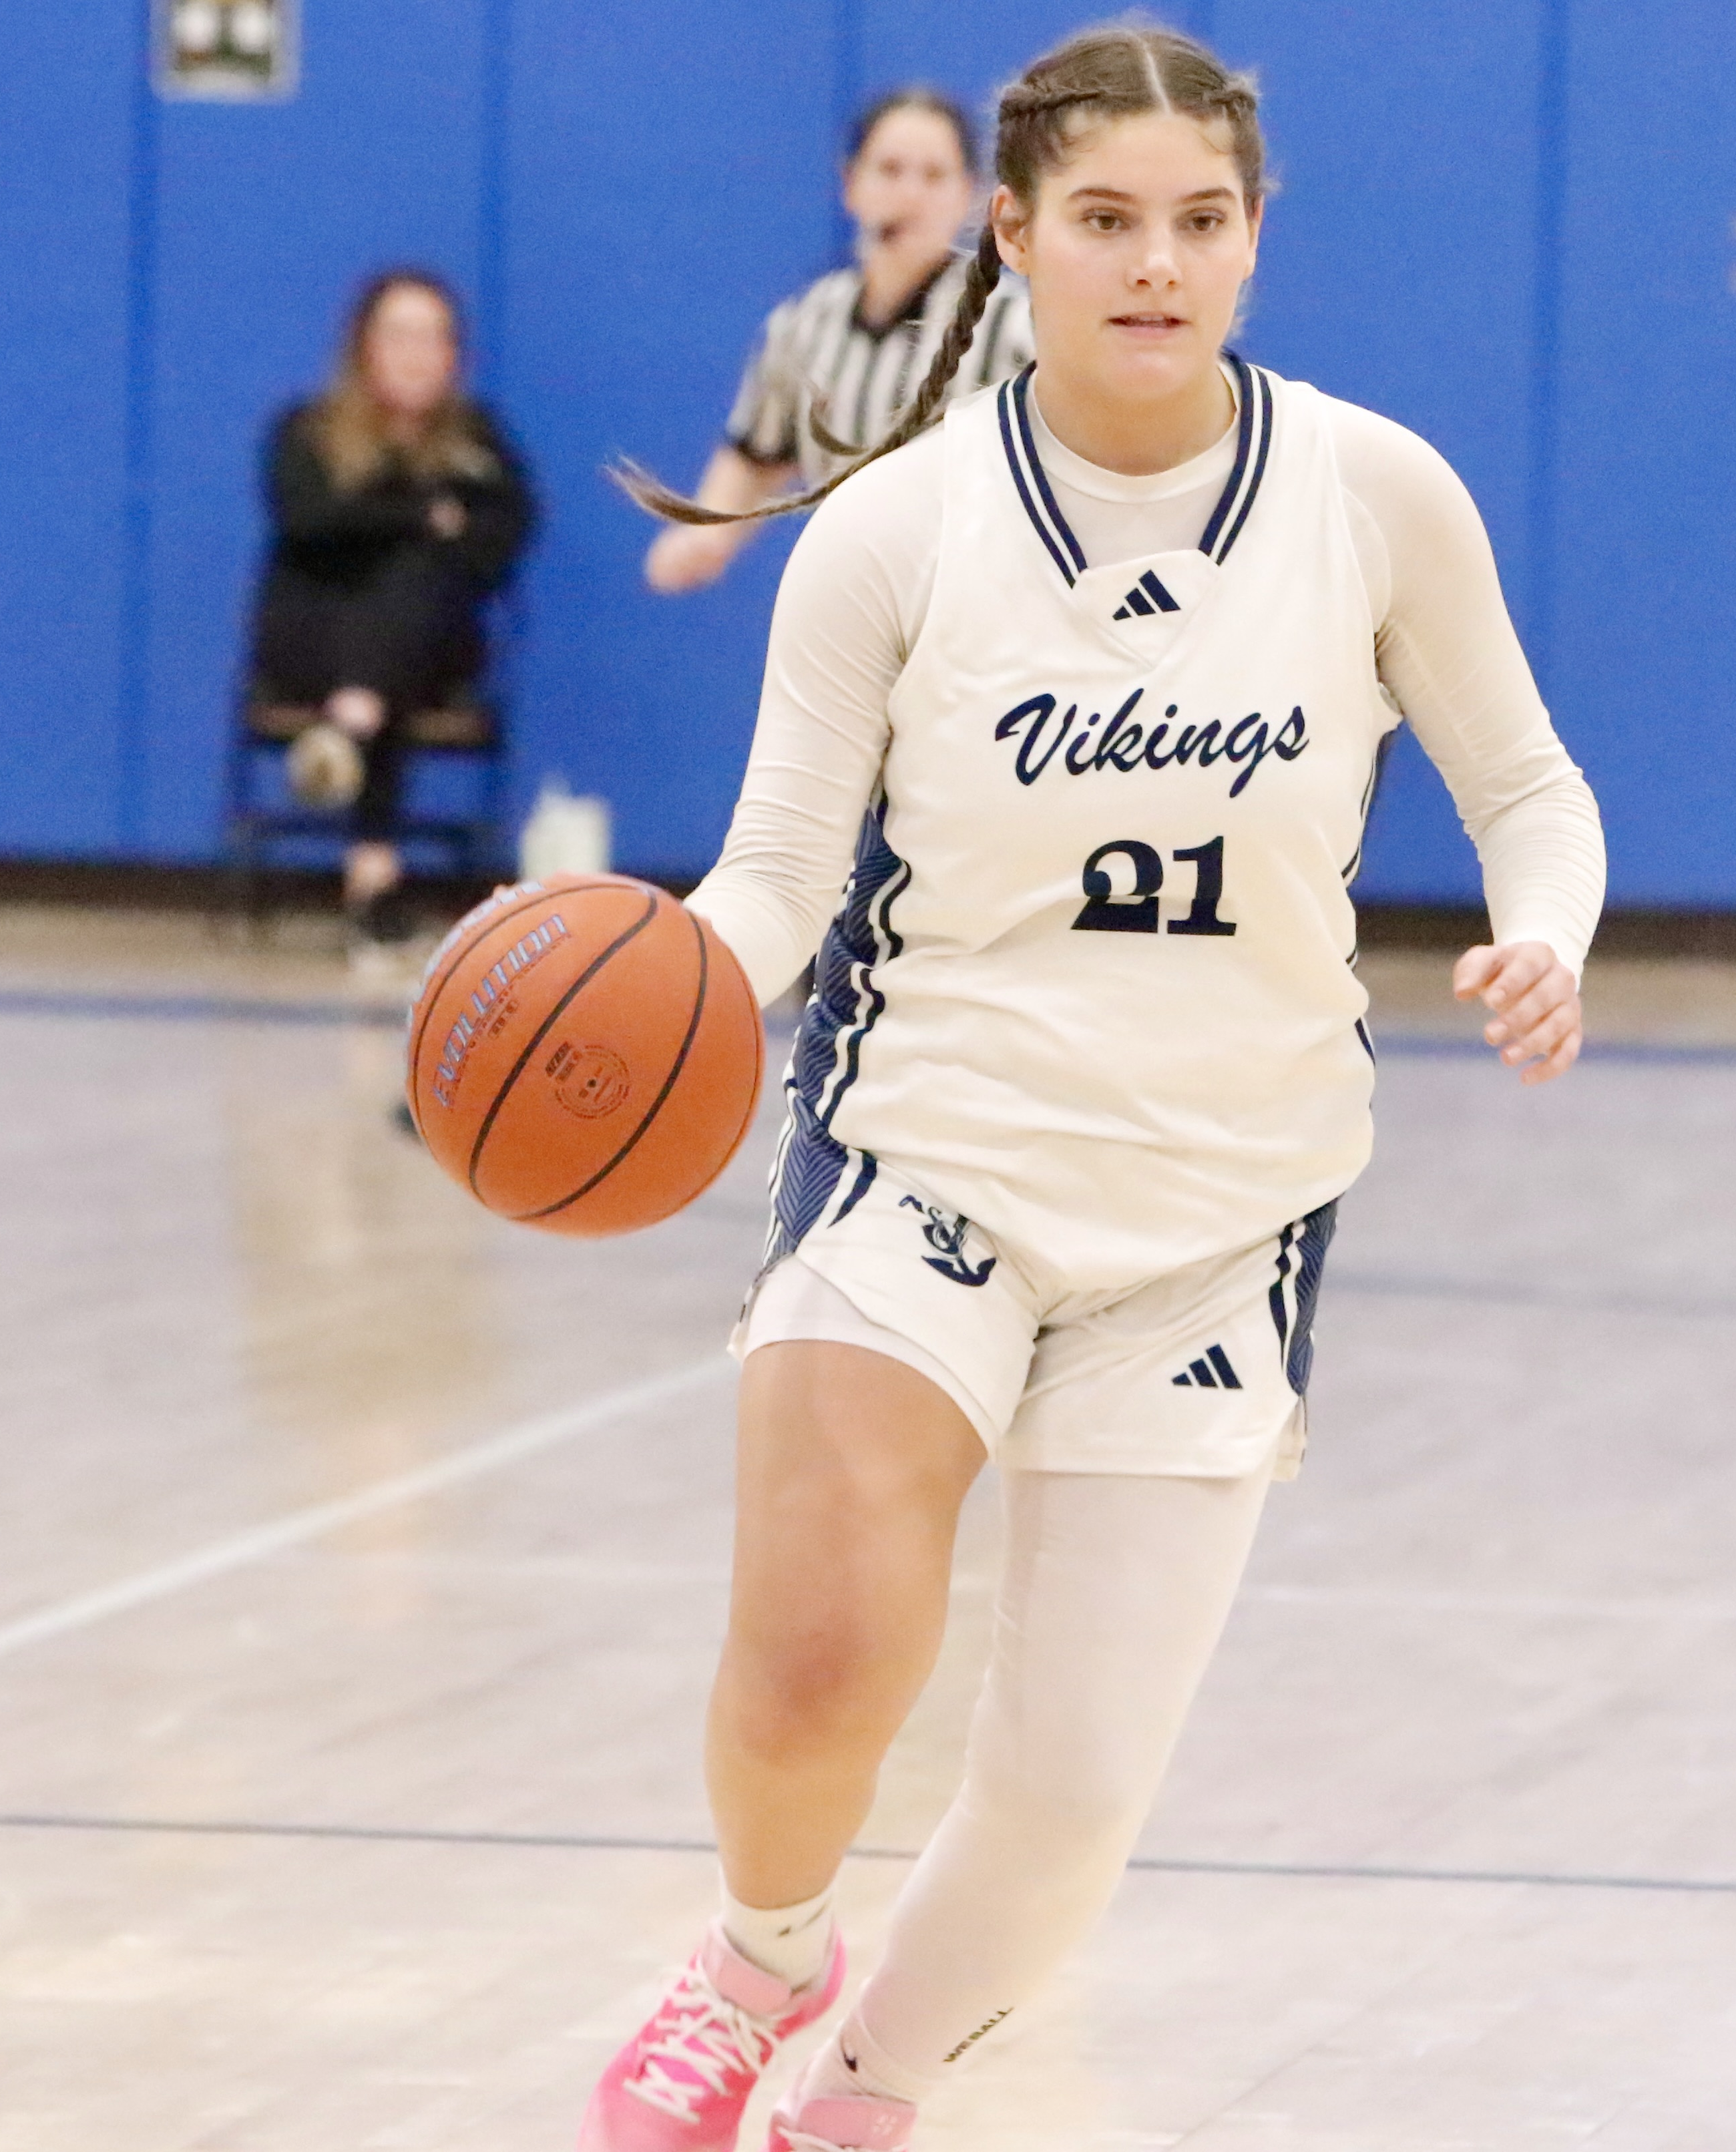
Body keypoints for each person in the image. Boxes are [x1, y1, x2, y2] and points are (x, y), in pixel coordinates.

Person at [583, 24, 1608, 2152]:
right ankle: (761, 1951)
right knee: (819, 1644)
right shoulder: (894, 527)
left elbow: (1528, 783)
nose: (1158, 263)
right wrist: (663, 983)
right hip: (931, 1141)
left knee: (1066, 1788)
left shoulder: (1372, 492)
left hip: (1227, 1203)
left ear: (1254, 242)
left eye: (1202, 222)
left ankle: (853, 2098)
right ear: (1018, 238)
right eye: (1110, 222)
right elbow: (777, 872)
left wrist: (1547, 930)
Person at [639, 85, 1034, 596]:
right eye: (890, 170)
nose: (910, 194)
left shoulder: (1012, 322)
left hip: (980, 603)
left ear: (969, 195)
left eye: (934, 175)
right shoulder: (806, 322)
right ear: (851, 185)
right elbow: (758, 448)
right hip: (851, 603)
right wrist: (707, 531)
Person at [252, 268, 536, 946]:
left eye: (434, 337)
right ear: (364, 346)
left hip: (429, 651)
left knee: (414, 592)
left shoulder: (479, 441)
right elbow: (310, 522)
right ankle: (373, 881)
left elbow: (503, 540)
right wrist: (422, 514)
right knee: (394, 609)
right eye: (400, 334)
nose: (417, 353)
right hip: (313, 644)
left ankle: (349, 736)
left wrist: (397, 528)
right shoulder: (308, 430)